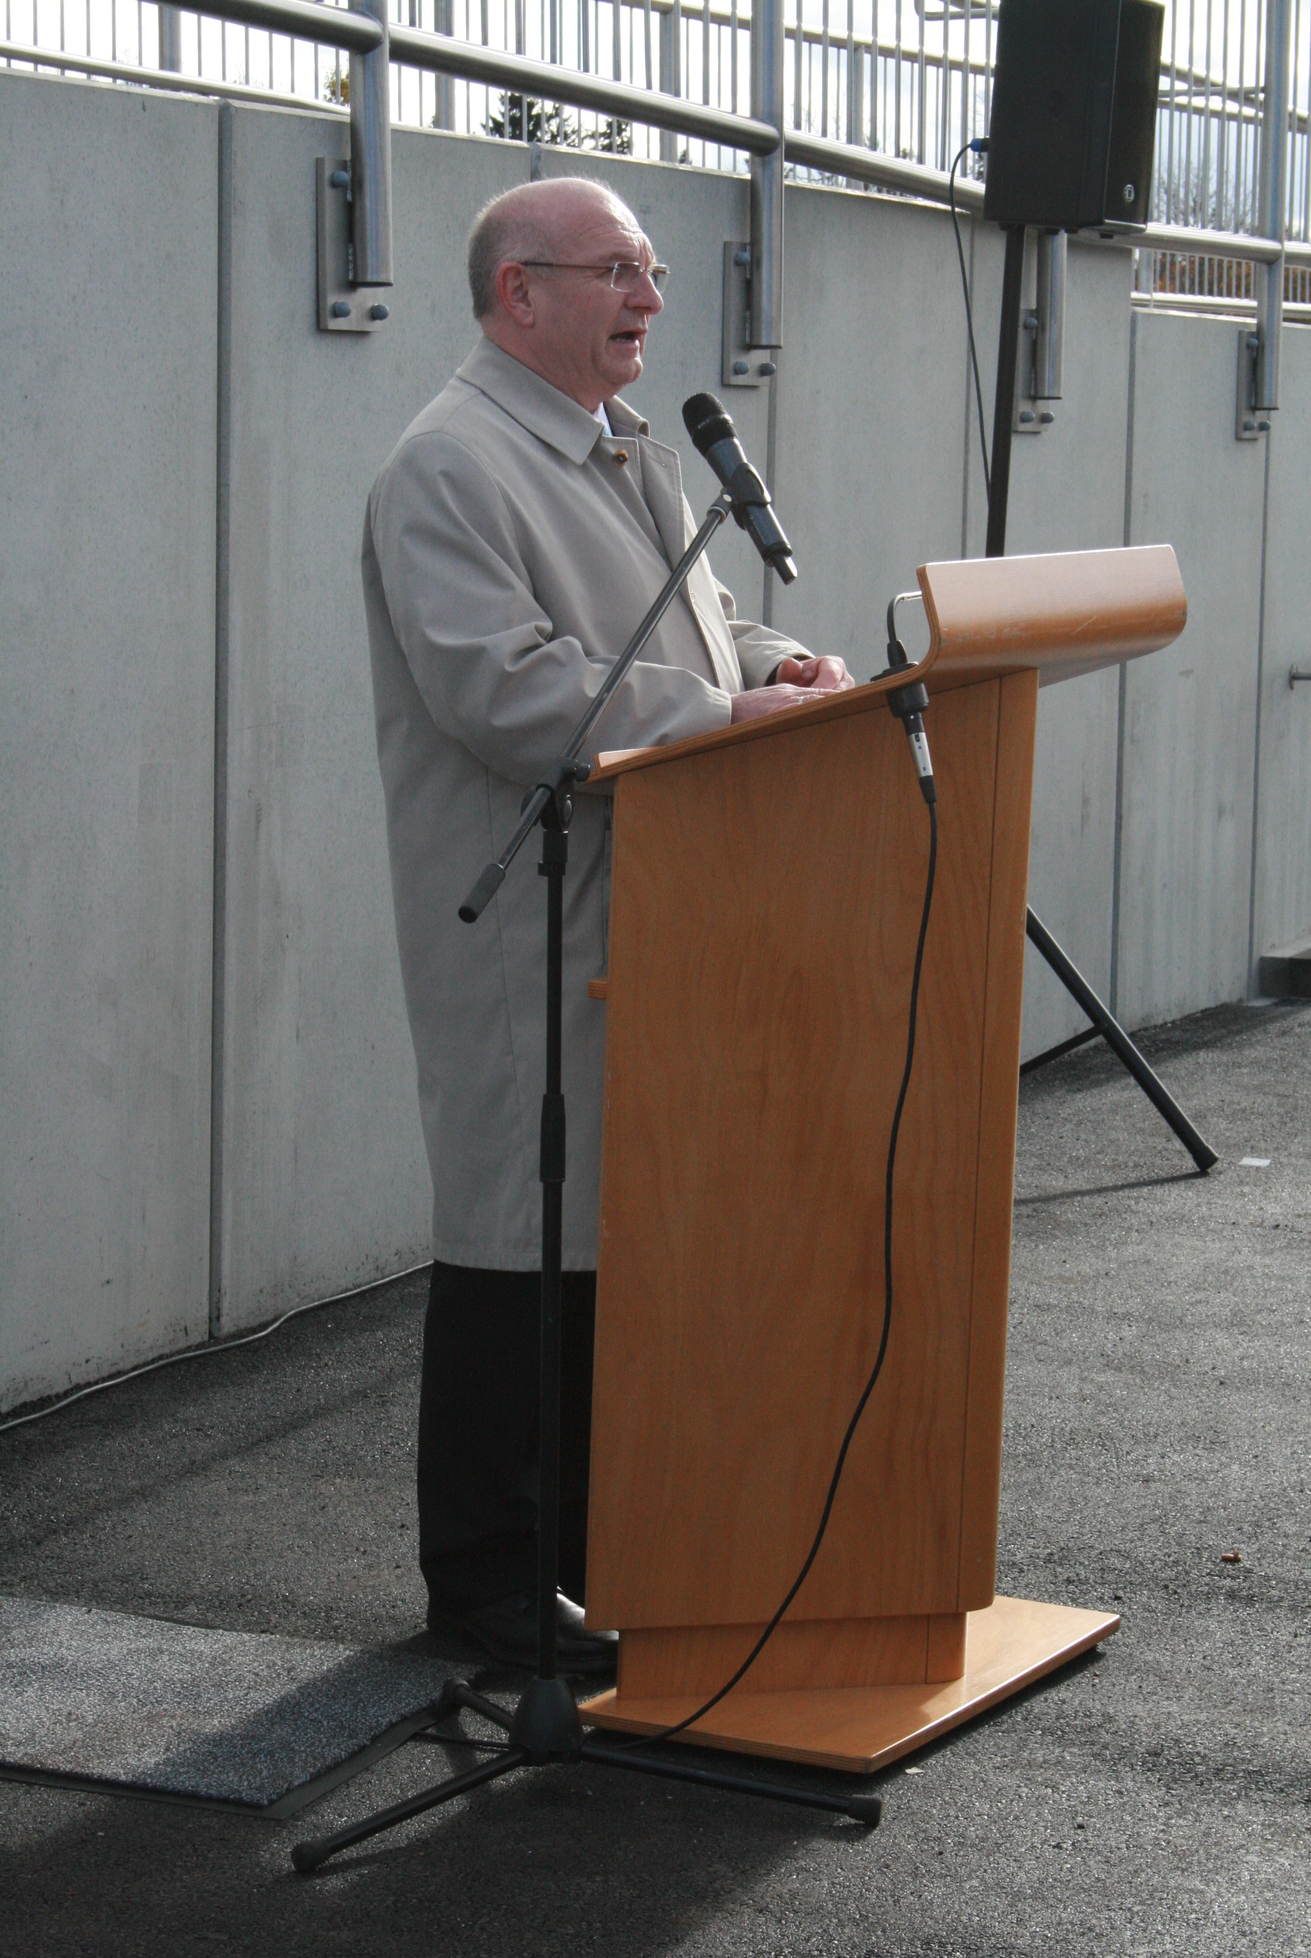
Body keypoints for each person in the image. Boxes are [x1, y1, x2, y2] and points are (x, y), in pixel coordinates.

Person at [362, 175, 852, 1670]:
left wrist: (781, 664)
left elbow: (676, 632)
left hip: (658, 903)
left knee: (601, 1244)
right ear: (519, 294)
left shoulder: (621, 448)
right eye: (615, 271)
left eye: (648, 269)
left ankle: (589, 1550)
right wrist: (726, 712)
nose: (647, 295)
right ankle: (487, 1582)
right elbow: (503, 688)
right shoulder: (449, 465)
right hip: (532, 902)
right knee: (517, 1234)